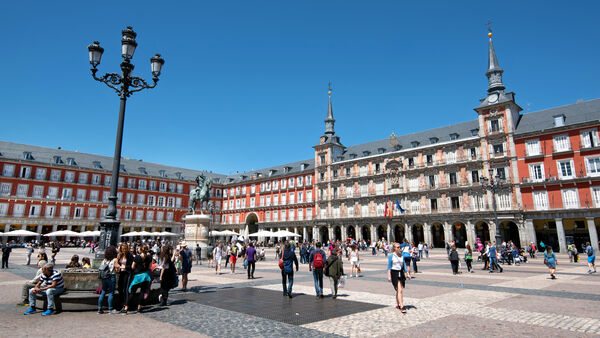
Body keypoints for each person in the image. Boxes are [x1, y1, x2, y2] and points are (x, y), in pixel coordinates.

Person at [122, 245, 152, 314]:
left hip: (137, 276)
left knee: (132, 292)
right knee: (142, 292)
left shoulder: (137, 257)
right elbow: (150, 267)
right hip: (145, 276)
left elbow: (132, 267)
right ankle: (139, 308)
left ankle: (126, 308)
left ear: (140, 250)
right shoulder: (149, 257)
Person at [388, 242, 409, 313]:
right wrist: (389, 276)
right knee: (400, 290)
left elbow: (404, 266)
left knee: (398, 290)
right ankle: (402, 306)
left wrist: (407, 273)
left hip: (401, 273)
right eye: (398, 247)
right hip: (394, 273)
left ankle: (397, 304)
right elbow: (389, 267)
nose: (399, 248)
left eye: (400, 247)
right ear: (394, 248)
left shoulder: (401, 255)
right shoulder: (391, 256)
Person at [98, 245, 119, 314]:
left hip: (104, 278)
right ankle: (110, 309)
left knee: (103, 292)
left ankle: (99, 308)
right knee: (111, 293)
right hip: (111, 277)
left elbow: (101, 268)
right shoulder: (115, 260)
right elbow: (116, 268)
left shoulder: (104, 260)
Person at [116, 243, 133, 310]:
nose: (124, 250)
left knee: (126, 289)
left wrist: (125, 267)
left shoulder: (129, 255)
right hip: (121, 273)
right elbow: (118, 263)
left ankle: (126, 305)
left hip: (127, 273)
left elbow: (131, 266)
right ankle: (122, 302)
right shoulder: (120, 255)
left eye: (125, 249)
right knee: (120, 288)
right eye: (122, 249)